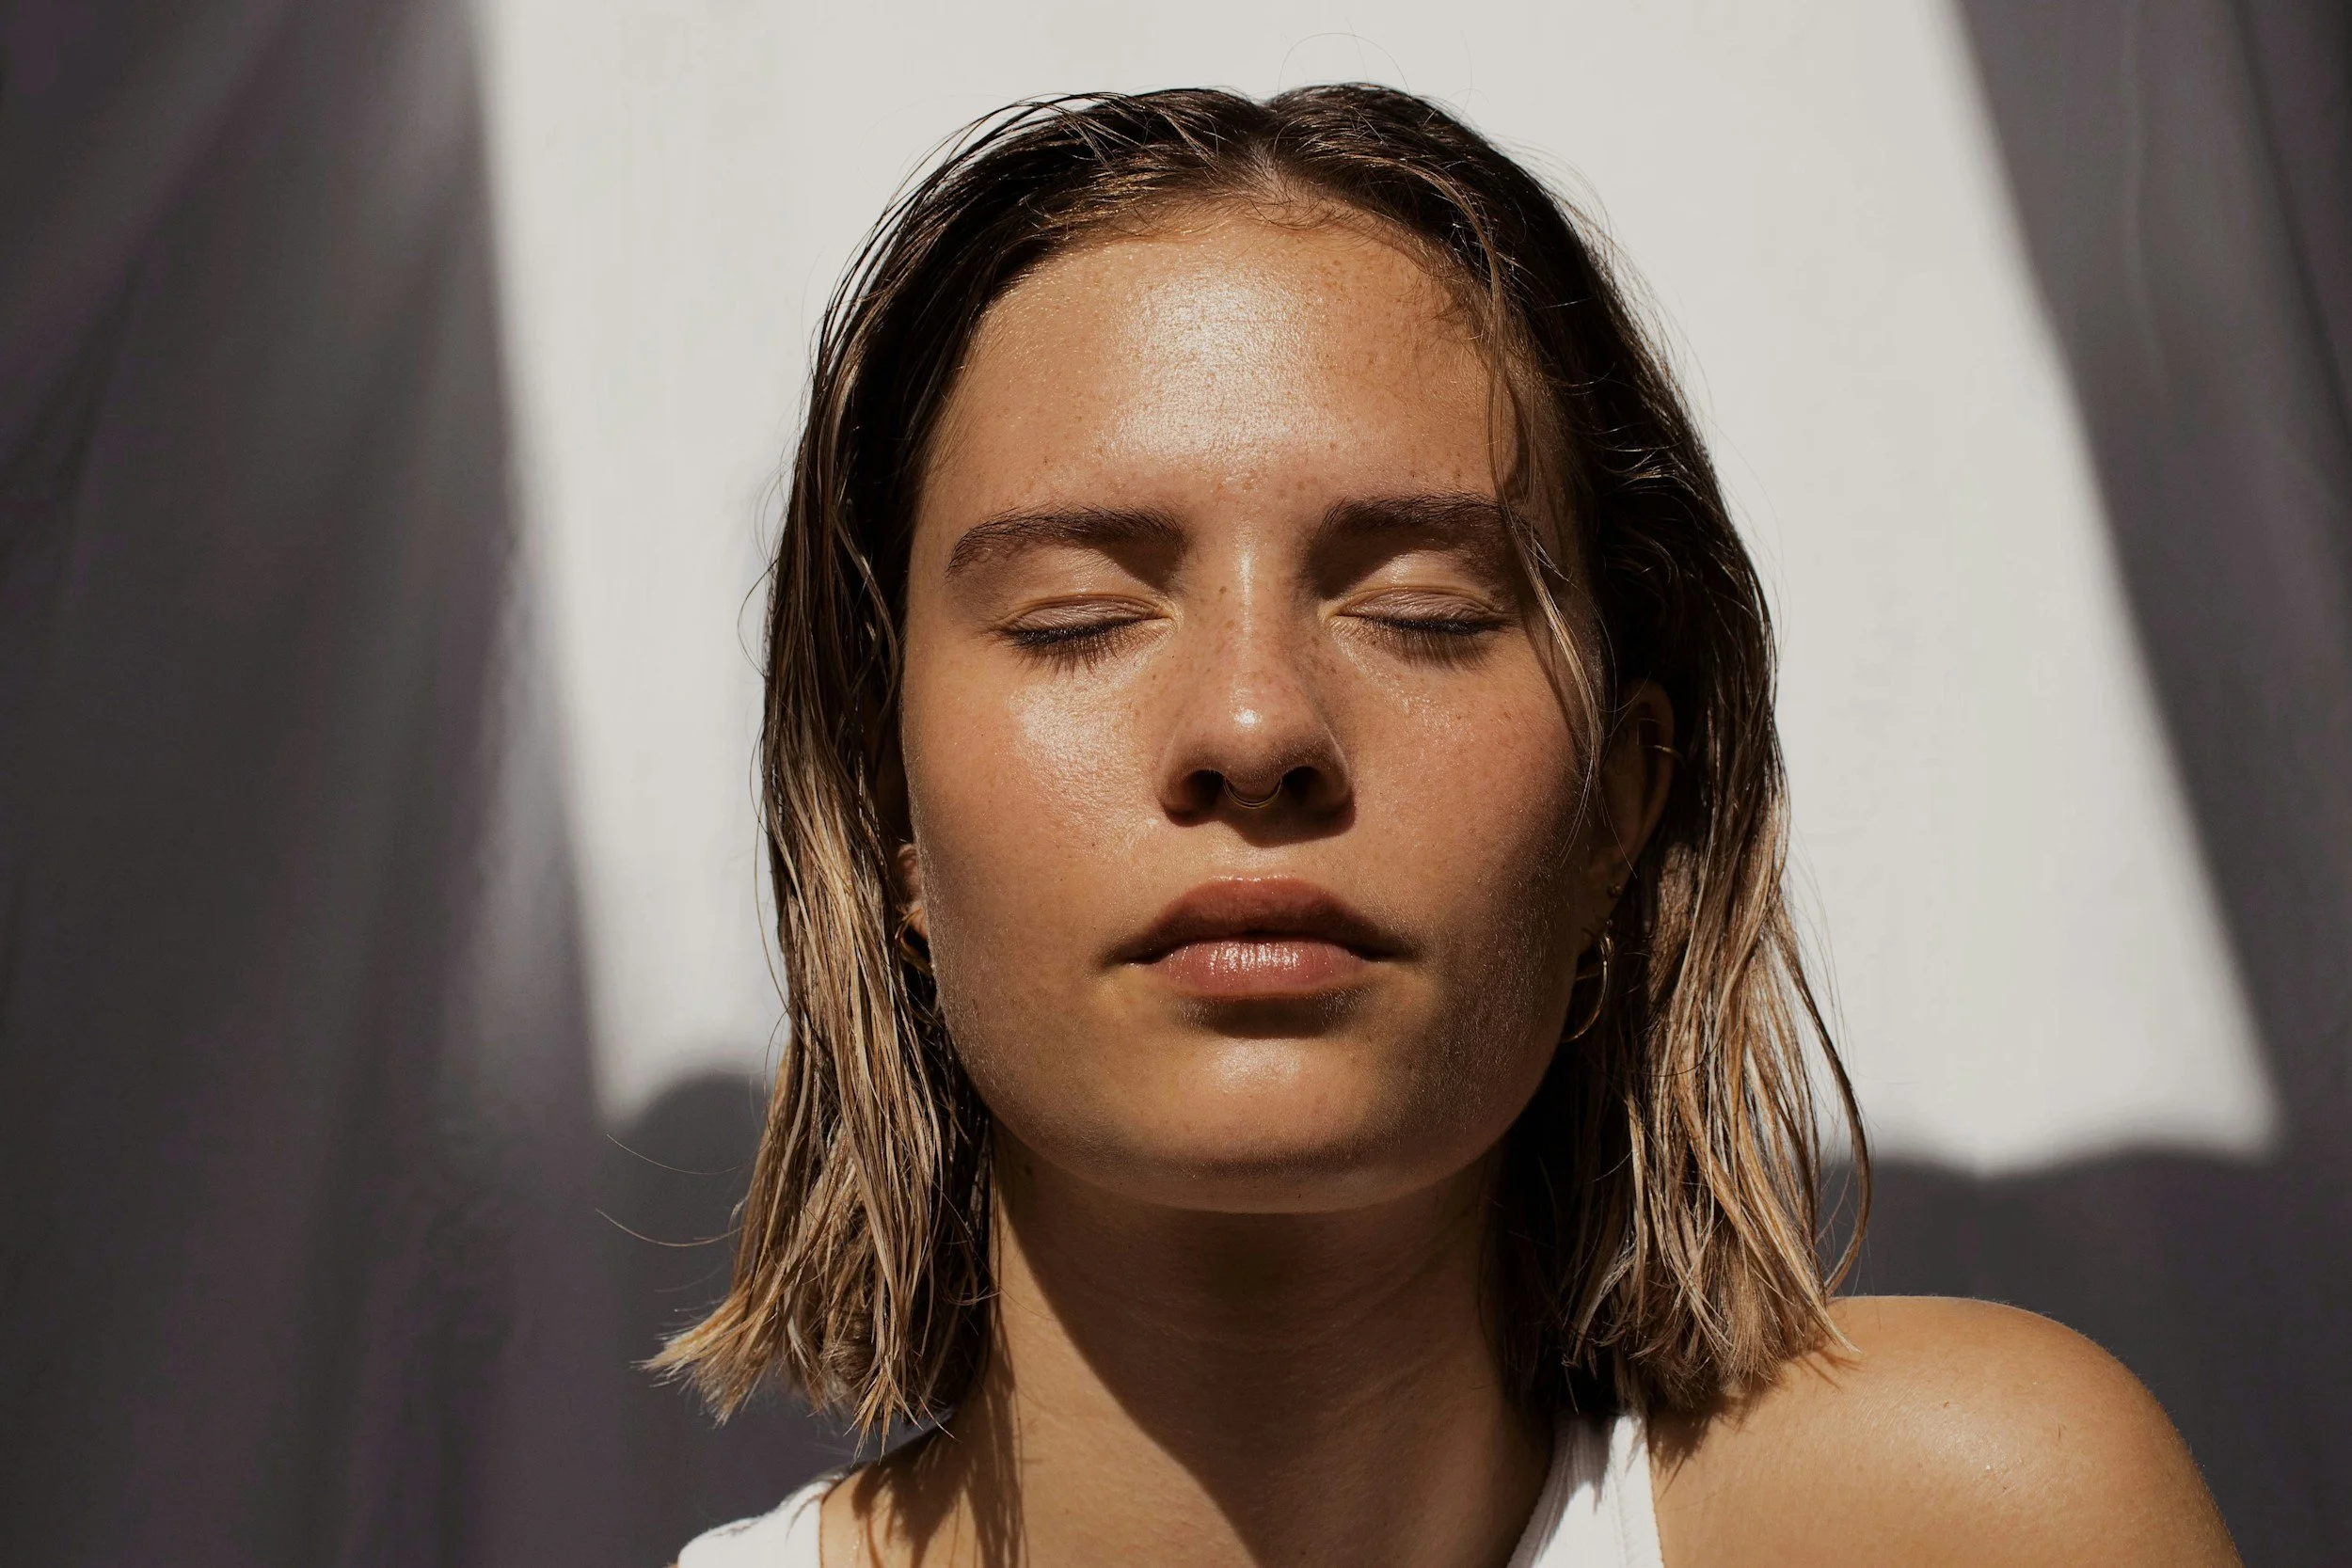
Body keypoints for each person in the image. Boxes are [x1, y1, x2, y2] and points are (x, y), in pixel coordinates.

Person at [663, 86, 2238, 1567]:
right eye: (1079, 617)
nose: (1256, 729)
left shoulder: (1970, 1521)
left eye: (1422, 609)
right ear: (884, 816)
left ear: (1625, 800)